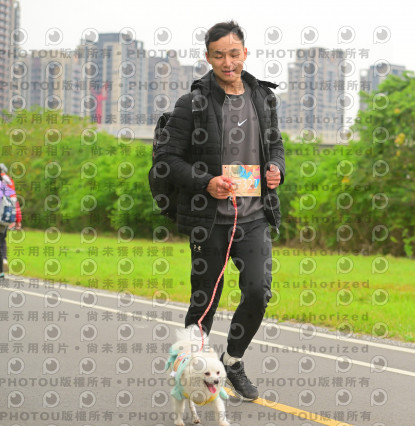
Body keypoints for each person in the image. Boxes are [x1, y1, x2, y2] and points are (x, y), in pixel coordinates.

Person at [157, 20, 285, 401]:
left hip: (254, 216)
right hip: (210, 219)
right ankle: (191, 371)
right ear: (208, 57)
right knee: (204, 303)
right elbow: (167, 160)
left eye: (233, 54)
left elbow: (275, 146)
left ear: (245, 53)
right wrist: (206, 182)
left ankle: (233, 360)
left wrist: (277, 169)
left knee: (258, 292)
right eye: (218, 55)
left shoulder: (263, 98)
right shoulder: (193, 104)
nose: (227, 62)